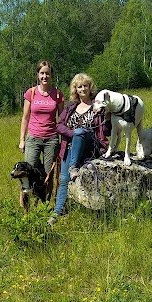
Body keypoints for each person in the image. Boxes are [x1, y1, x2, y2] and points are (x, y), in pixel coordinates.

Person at [49, 73, 109, 224]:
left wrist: (107, 116)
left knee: (81, 131)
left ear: (90, 87)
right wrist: (72, 133)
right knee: (63, 179)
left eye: (85, 86)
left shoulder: (97, 106)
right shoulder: (71, 107)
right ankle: (56, 213)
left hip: (89, 147)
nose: (83, 89)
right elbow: (59, 125)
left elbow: (105, 130)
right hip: (69, 147)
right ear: (75, 89)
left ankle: (73, 167)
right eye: (79, 86)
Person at [19, 60, 64, 192]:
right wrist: (22, 140)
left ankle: (46, 201)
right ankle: (26, 200)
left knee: (48, 174)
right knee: (28, 171)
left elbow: (62, 120)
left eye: (47, 73)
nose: (45, 76)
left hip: (51, 140)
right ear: (38, 75)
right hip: (33, 138)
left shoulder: (58, 94)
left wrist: (64, 141)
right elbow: (25, 117)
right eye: (42, 73)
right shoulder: (31, 92)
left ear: (52, 75)